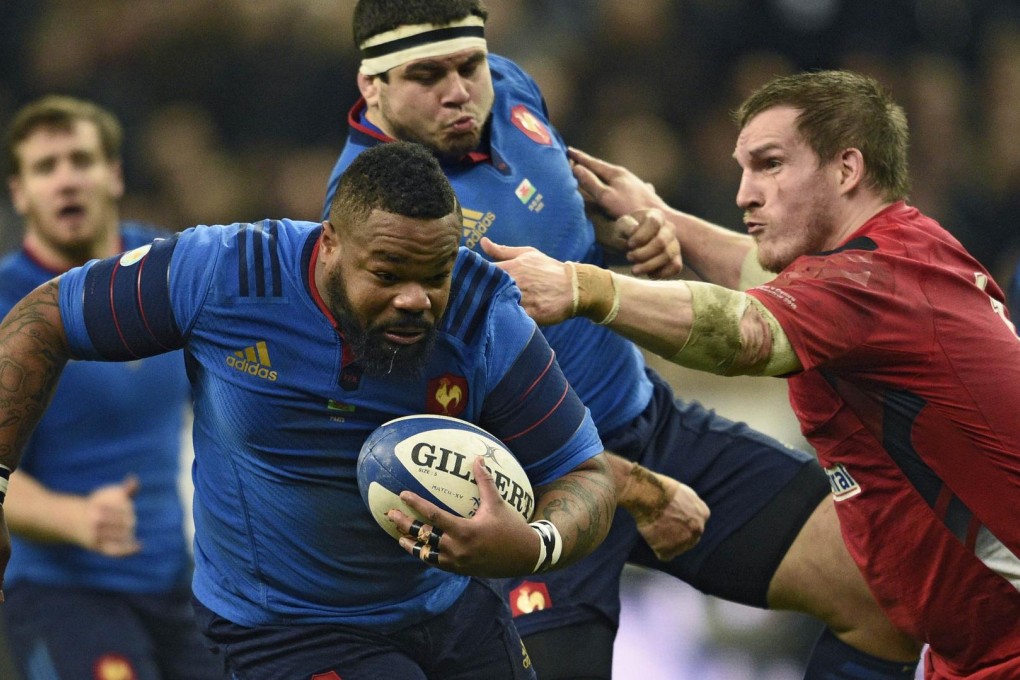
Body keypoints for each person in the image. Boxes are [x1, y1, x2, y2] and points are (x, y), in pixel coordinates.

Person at [322, 2, 922, 679]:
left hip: (645, 422)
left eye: (468, 65)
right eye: (427, 75)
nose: (459, 91)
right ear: (372, 86)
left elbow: (562, 219)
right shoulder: (375, 225)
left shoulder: (511, 87)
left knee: (890, 599)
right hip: (532, 499)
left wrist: (635, 232)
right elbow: (436, 429)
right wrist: (638, 491)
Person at [0, 140, 616, 680]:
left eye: (436, 274)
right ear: (328, 248)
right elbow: (44, 318)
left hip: (450, 608)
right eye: (387, 272)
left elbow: (584, 474)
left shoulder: (485, 318)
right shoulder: (224, 276)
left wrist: (534, 545)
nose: (415, 299)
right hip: (285, 628)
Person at [486, 69, 1020, 680]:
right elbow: (766, 281)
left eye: (770, 165)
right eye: (743, 168)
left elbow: (744, 332)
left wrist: (582, 286)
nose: (744, 194)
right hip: (968, 648)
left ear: (846, 170)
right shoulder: (896, 258)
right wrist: (666, 218)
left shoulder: (870, 285)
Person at [0, 95, 225, 680]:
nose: (67, 180)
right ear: (19, 193)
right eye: (46, 168)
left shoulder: (172, 270)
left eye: (81, 159)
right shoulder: (8, 309)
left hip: (182, 584)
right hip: (63, 591)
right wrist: (72, 517)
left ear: (115, 174)